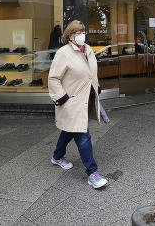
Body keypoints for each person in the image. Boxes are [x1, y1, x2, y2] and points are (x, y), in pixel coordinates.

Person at [47, 20, 108, 189]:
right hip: (71, 102)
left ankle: (57, 157)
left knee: (69, 130)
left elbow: (89, 72)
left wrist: (96, 86)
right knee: (83, 135)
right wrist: (62, 98)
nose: (82, 35)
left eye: (83, 32)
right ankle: (92, 173)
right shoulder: (63, 53)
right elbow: (53, 78)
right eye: (77, 33)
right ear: (70, 35)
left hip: (85, 99)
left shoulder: (87, 50)